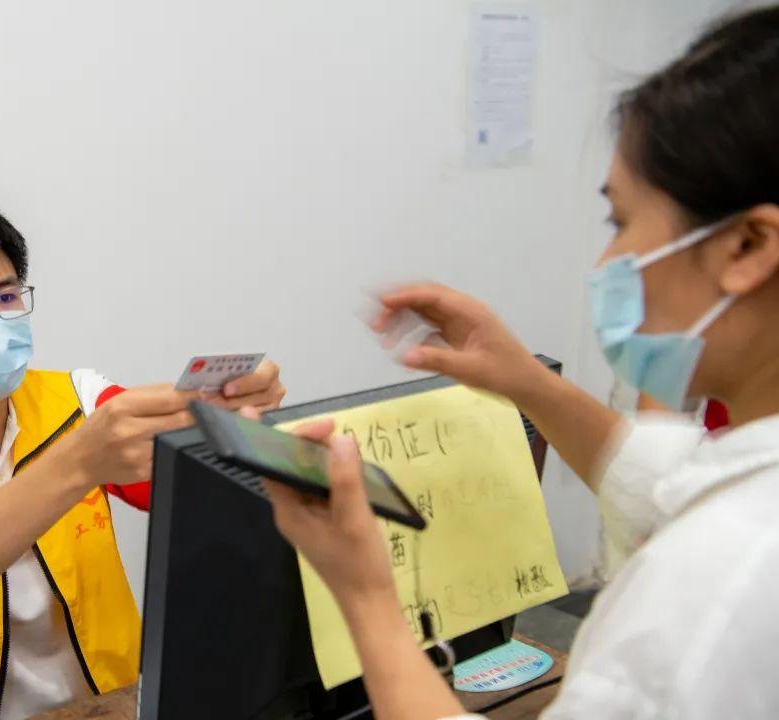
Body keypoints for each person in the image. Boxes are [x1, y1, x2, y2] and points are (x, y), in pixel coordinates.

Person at [260, 6, 779, 719]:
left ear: (748, 247)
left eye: (622, 221)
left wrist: (367, 598)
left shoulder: (711, 593)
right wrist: (524, 381)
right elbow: (668, 485)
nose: (606, 261)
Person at [0, 179, 285, 720]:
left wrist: (234, 423)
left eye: (5, 297)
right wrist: (81, 460)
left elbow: (192, 485)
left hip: (112, 707)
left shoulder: (79, 399)